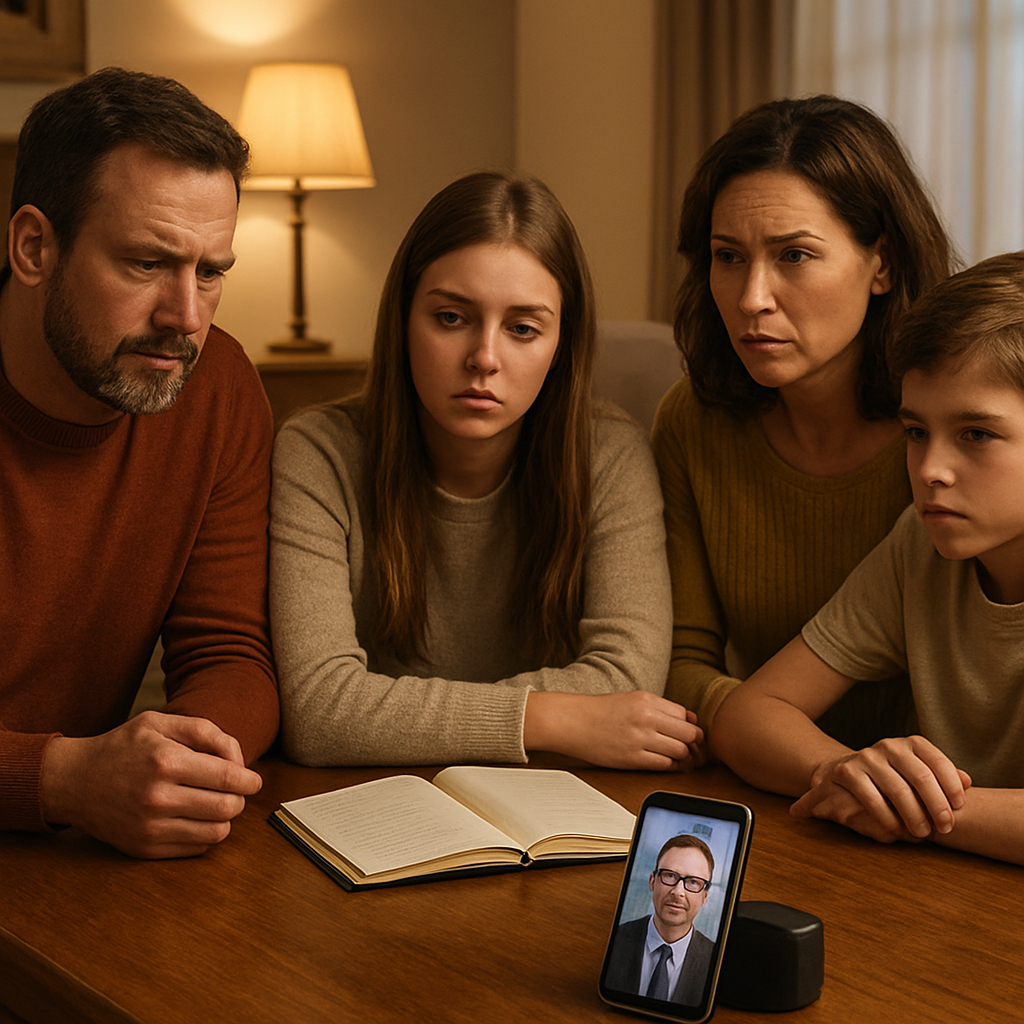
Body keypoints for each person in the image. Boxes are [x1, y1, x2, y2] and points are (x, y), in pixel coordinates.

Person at [270, 171, 699, 770]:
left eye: (523, 329)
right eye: (451, 318)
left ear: (561, 347)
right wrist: (552, 716)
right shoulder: (319, 453)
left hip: (550, 807)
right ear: (402, 319)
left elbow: (628, 679)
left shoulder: (610, 455)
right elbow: (319, 711)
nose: (485, 359)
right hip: (369, 807)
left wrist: (390, 715)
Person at [0, 68, 279, 858]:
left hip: (77, 862)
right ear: (33, 247)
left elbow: (230, 652)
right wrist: (61, 777)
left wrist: (182, 763)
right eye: (146, 263)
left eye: (211, 271)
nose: (184, 318)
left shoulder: (216, 386)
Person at [651, 95, 956, 751]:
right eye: (728, 256)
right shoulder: (692, 421)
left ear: (884, 264)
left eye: (794, 255)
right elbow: (679, 660)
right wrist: (788, 741)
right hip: (771, 780)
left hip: (947, 805)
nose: (752, 297)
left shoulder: (955, 435)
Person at [710, 252, 1024, 866]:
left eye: (976, 434)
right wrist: (843, 770)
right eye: (915, 432)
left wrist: (908, 807)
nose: (930, 470)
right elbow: (748, 715)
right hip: (935, 897)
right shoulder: (921, 545)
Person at [604, 835, 715, 1004]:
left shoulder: (715, 960)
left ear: (704, 896)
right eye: (670, 876)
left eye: (693, 882)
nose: (678, 892)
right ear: (652, 881)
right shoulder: (615, 939)